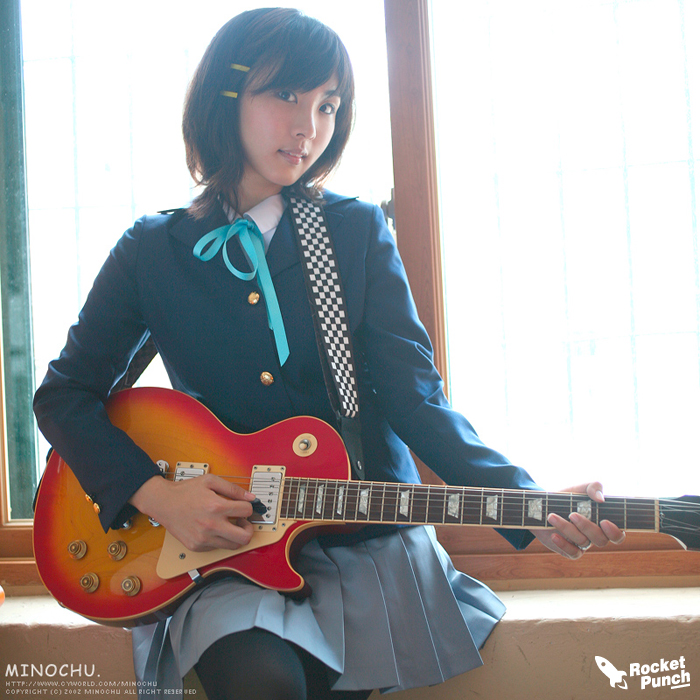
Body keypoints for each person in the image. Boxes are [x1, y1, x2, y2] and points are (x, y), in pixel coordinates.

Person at [33, 8, 624, 700]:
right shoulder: (152, 249)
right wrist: (158, 496)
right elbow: (64, 396)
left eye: (328, 104)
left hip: (361, 546)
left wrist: (525, 502)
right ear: (226, 95)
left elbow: (415, 399)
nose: (308, 126)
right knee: (260, 682)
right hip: (223, 553)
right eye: (286, 94)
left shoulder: (353, 230)